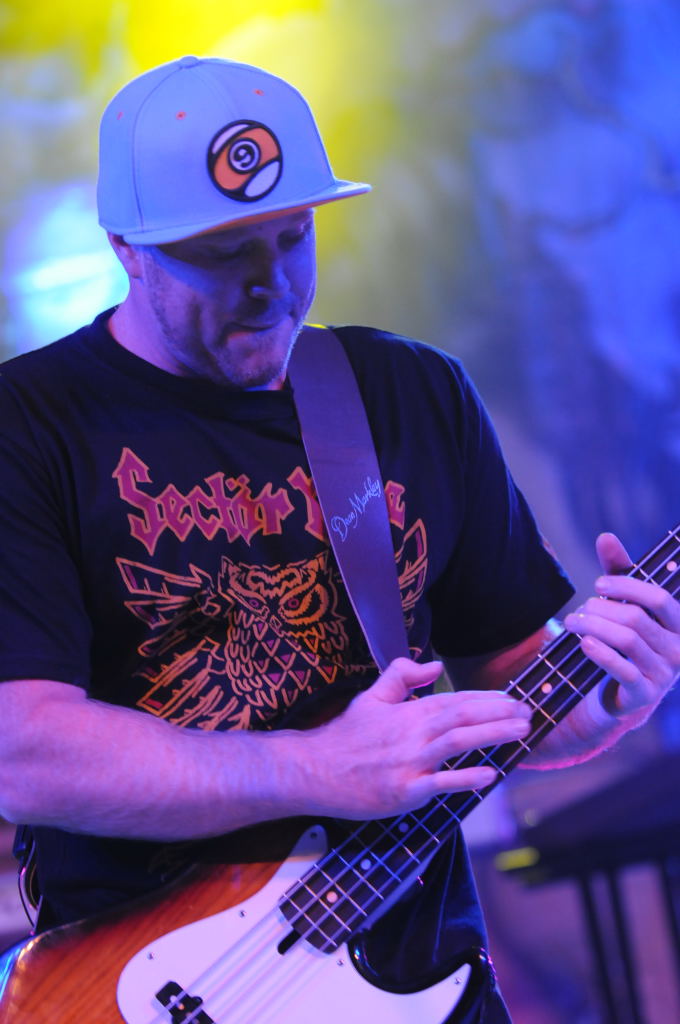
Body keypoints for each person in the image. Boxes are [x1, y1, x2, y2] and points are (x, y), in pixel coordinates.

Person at [0, 55, 678, 1022]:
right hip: (162, 987)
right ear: (126, 248)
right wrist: (317, 768)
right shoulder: (30, 425)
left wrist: (606, 700)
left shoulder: (410, 392)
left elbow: (507, 684)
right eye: (224, 251)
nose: (271, 284)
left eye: (293, 236)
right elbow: (23, 751)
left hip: (420, 981)